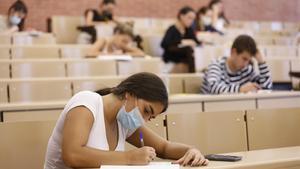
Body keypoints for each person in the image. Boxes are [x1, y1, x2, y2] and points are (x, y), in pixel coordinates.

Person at [44, 72, 209, 169]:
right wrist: (129, 158)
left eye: (149, 117)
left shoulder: (124, 120)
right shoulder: (87, 102)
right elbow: (72, 155)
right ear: (129, 93)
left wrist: (191, 150)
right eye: (146, 111)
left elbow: (163, 148)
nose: (143, 120)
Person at [201, 35, 273, 94]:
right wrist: (240, 89)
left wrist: (261, 62)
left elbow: (266, 88)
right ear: (233, 52)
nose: (246, 63)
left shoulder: (247, 70)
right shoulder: (216, 65)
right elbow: (213, 88)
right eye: (244, 59)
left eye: (249, 60)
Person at [161, 6, 201, 73]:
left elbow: (196, 42)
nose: (191, 21)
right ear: (181, 16)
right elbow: (164, 44)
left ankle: (194, 73)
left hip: (185, 56)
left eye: (193, 19)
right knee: (188, 49)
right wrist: (182, 42)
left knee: (191, 51)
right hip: (172, 55)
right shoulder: (172, 29)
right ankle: (192, 74)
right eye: (189, 18)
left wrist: (195, 42)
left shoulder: (189, 30)